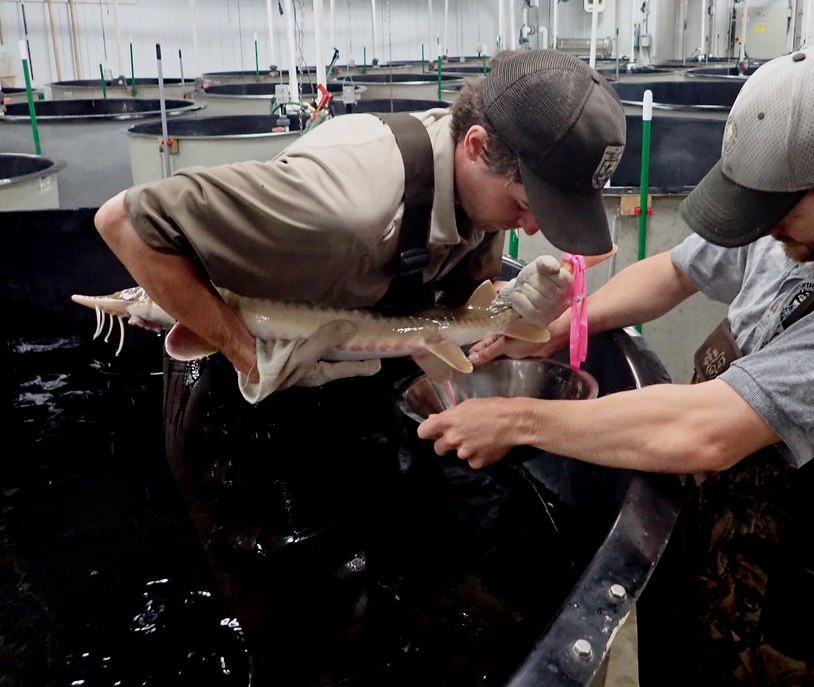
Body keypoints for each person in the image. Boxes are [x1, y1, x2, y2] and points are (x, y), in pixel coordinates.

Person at [418, 44, 814, 686]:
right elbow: (677, 270)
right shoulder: (804, 207)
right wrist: (557, 332)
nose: (764, 233)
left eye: (775, 219)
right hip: (698, 564)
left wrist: (516, 420)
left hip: (777, 624)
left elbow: (711, 431)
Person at [92, 49, 626, 685]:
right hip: (238, 386)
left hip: (344, 367)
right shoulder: (345, 205)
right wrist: (245, 353)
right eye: (528, 203)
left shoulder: (476, 186)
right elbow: (124, 223)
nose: (534, 226)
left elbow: (443, 317)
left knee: (391, 559)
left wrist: (506, 320)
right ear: (478, 145)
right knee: (309, 633)